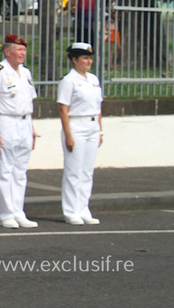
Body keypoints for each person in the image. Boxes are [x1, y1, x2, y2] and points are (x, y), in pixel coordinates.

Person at [0, 35, 39, 229]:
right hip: (5, 122)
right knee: (6, 170)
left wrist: (31, 129)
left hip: (24, 122)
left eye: (24, 50)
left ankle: (18, 211)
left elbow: (29, 102)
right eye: (19, 50)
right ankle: (6, 213)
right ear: (8, 52)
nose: (23, 54)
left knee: (20, 171)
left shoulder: (25, 73)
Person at [57, 42, 103, 226]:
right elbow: (63, 109)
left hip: (92, 126)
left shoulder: (93, 80)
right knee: (73, 172)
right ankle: (71, 211)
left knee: (87, 172)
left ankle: (83, 208)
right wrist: (68, 135)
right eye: (84, 58)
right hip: (76, 125)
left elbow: (98, 107)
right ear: (74, 60)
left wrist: (100, 130)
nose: (88, 61)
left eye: (90, 58)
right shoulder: (69, 81)